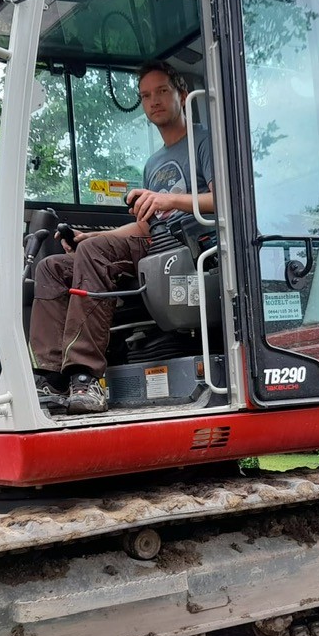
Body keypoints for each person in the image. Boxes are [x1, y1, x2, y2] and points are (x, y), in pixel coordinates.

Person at [28, 60, 215, 414]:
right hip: (151, 246)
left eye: (162, 91)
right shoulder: (153, 162)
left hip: (186, 250)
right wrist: (89, 237)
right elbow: (144, 226)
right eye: (145, 96)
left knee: (96, 252)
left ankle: (86, 378)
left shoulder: (205, 141)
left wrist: (168, 199)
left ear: (183, 95)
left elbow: (223, 200)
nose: (154, 100)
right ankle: (51, 378)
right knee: (51, 267)